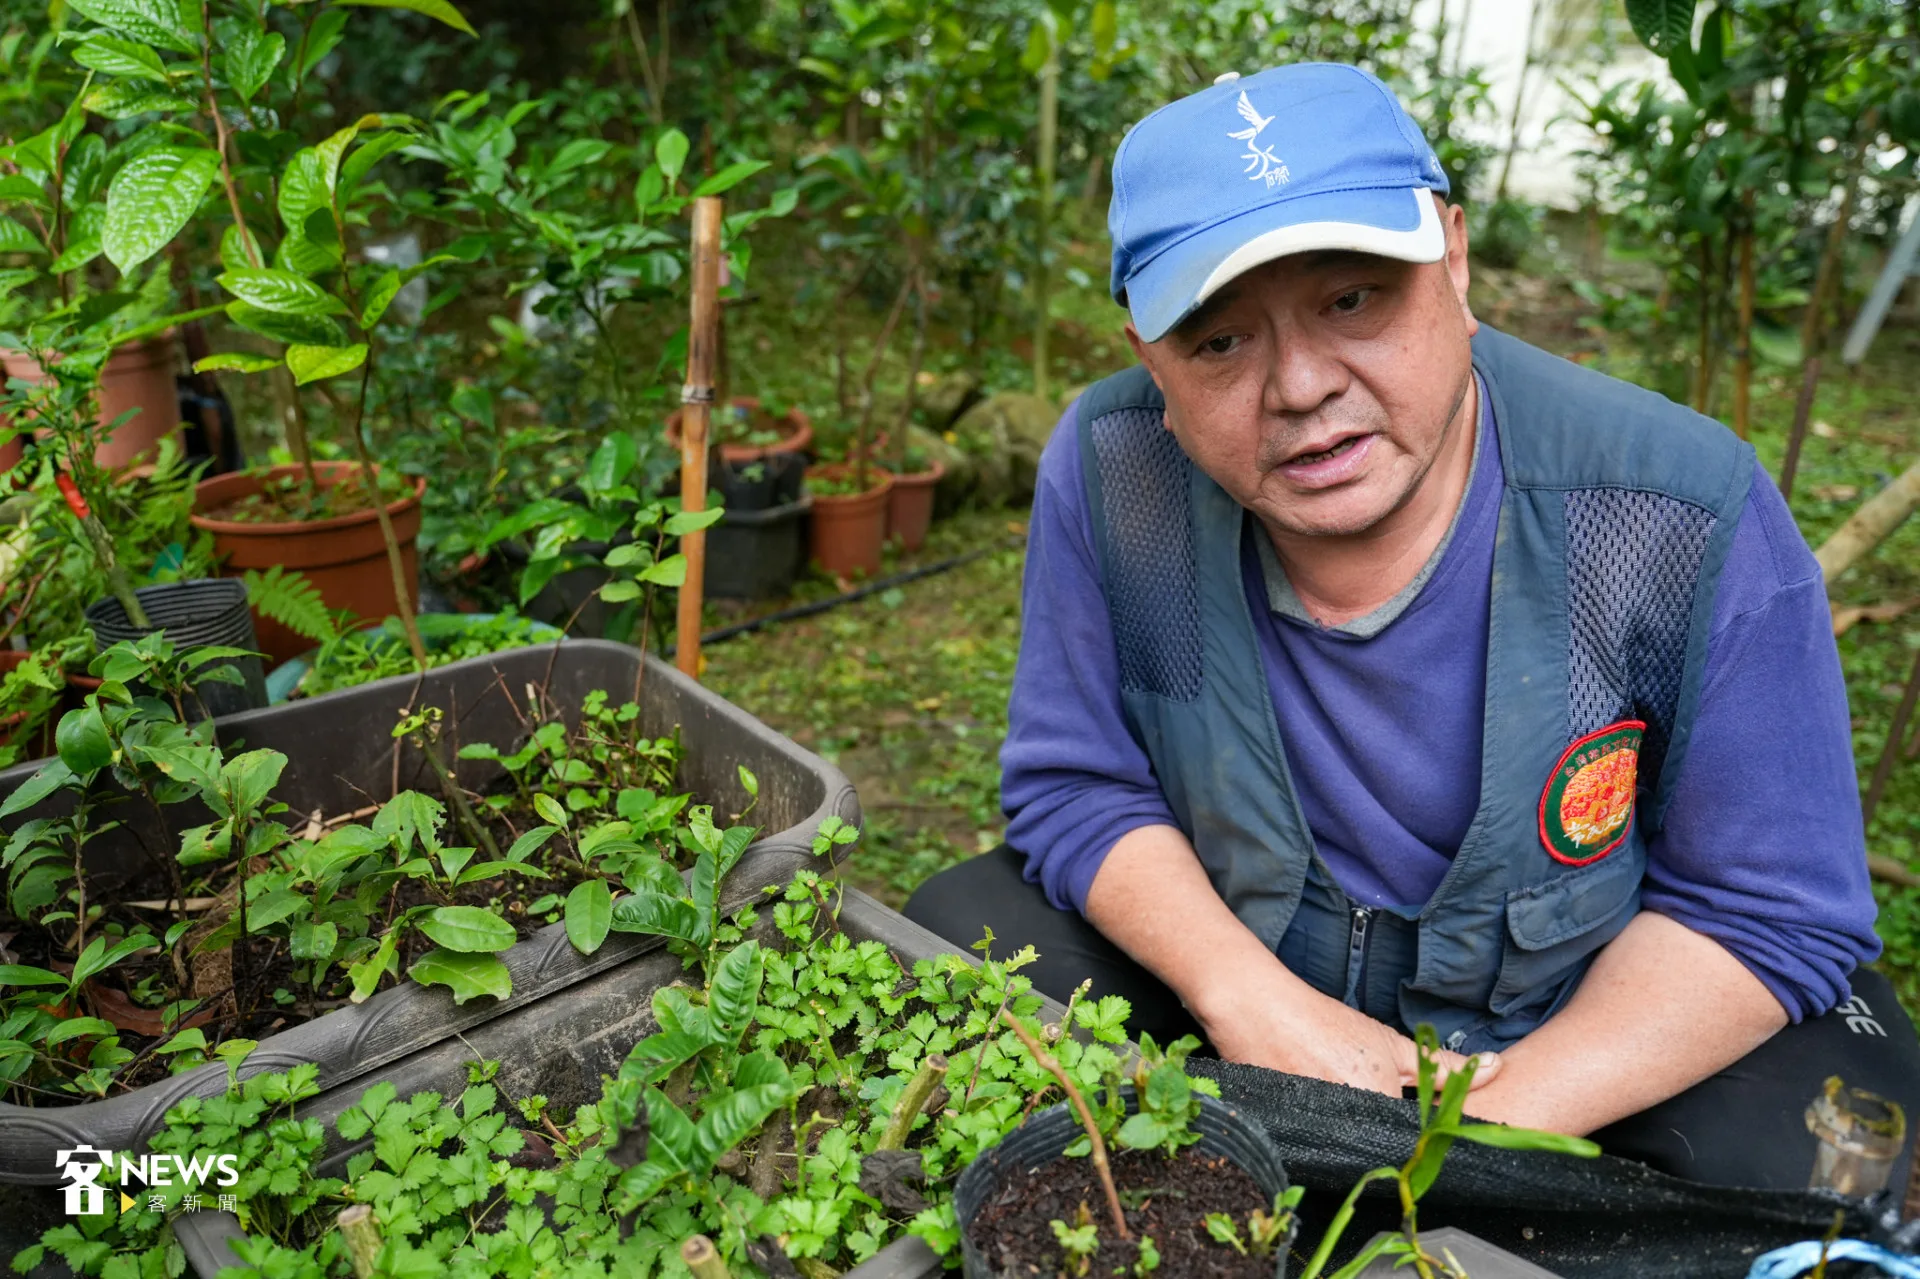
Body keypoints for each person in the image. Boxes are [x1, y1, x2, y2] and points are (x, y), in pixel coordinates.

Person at [903, 61, 1920, 1191]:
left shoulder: (1674, 513)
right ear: (1151, 357)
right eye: (1219, 341)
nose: (1299, 387)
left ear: (1456, 258)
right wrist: (1251, 999)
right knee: (960, 938)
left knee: (1822, 1161)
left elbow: (1766, 907)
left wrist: (1464, 1134)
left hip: (1565, 1022)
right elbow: (1077, 784)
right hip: (1257, 980)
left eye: (1353, 299)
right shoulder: (1116, 471)